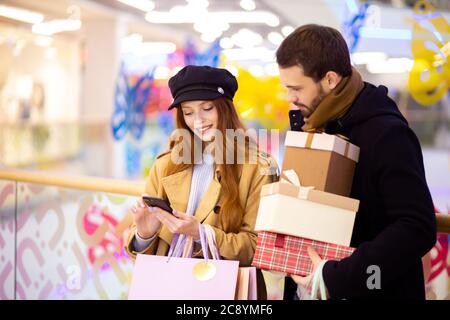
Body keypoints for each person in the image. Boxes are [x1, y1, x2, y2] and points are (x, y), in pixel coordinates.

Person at [276, 24, 436, 299]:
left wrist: (337, 276)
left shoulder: (387, 134)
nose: (290, 98)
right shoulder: (310, 125)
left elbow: (417, 226)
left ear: (330, 79)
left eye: (296, 88)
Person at [125, 65, 278, 299]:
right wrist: (144, 235)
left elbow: (259, 247)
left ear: (225, 108)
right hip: (170, 288)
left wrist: (201, 234)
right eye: (188, 112)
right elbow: (144, 251)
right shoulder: (166, 164)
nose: (198, 121)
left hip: (225, 290)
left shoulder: (258, 167)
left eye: (207, 108)